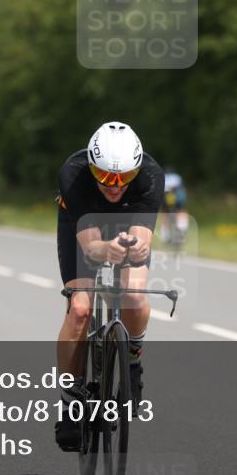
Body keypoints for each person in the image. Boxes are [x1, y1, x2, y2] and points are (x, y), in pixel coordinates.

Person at [54, 121, 163, 451]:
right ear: (91, 167)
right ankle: (72, 401)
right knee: (79, 309)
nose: (115, 187)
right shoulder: (73, 174)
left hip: (127, 223)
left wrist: (137, 248)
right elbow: (90, 247)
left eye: (124, 178)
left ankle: (132, 365)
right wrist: (106, 250)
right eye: (105, 177)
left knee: (133, 295)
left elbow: (142, 238)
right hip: (82, 227)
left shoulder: (150, 176)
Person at [160, 167, 189, 245]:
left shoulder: (163, 177)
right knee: (181, 210)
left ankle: (165, 234)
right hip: (177, 198)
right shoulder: (177, 177)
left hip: (165, 199)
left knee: (164, 213)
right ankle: (182, 227)